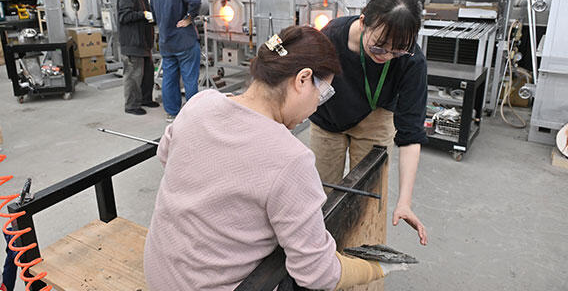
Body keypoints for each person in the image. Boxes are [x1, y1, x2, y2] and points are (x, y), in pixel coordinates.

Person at [144, 26, 408, 291]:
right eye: (323, 94)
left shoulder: (201, 102)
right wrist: (376, 268)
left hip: (160, 275)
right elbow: (318, 272)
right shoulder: (291, 158)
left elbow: (165, 155)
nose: (317, 106)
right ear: (303, 79)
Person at [310, 0, 429, 246]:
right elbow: (305, 91)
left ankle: (359, 258)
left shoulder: (412, 61)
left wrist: (405, 202)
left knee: (366, 200)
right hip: (329, 115)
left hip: (376, 116)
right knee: (321, 196)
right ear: (363, 21)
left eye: (397, 50)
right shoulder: (332, 36)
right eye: (378, 47)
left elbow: (410, 135)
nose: (386, 56)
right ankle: (321, 255)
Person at [150, 0, 201, 122]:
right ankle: (192, 114)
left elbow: (155, 17)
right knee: (189, 78)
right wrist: (189, 18)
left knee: (169, 78)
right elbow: (196, 1)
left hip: (166, 43)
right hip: (185, 43)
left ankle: (172, 113)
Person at [117, 0, 159, 116]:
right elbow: (124, 16)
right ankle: (131, 105)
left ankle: (145, 99)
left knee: (147, 73)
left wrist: (151, 17)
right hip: (133, 42)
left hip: (144, 41)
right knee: (133, 75)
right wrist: (143, 14)